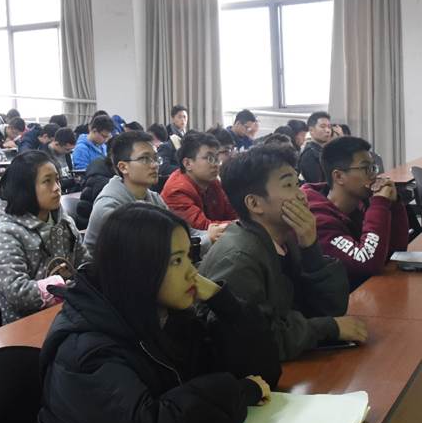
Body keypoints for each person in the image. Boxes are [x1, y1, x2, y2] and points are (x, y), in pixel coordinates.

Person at [21, 202, 279, 423]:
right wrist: (240, 391)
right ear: (138, 270)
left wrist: (222, 301)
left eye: (189, 257)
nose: (192, 272)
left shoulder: (163, 317)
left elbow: (262, 373)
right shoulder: (85, 349)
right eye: (176, 261)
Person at [198, 145, 366, 362]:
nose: (301, 195)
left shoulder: (287, 239)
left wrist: (311, 248)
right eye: (288, 185)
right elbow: (256, 342)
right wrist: (327, 328)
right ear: (254, 203)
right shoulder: (238, 259)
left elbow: (330, 308)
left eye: (297, 183)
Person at [0, 151, 90, 323]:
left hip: (70, 313)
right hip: (27, 324)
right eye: (47, 181)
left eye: (57, 180)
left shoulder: (64, 221)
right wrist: (66, 285)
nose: (57, 188)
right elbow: (17, 291)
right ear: (25, 188)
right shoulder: (6, 232)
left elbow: (84, 263)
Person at [84, 131, 212, 257]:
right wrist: (206, 240)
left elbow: (183, 232)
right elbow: (151, 253)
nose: (154, 165)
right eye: (145, 159)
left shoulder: (153, 198)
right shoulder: (109, 208)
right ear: (123, 167)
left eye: (155, 158)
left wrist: (211, 233)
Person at [302, 136, 408, 289]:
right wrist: (379, 204)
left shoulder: (361, 204)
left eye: (373, 168)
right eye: (366, 168)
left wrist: (394, 204)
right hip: (346, 300)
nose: (374, 175)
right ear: (339, 176)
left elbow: (396, 252)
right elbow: (367, 262)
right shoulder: (318, 219)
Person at [161, 132, 236, 240]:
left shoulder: (213, 182)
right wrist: (242, 224)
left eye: (216, 158)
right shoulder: (177, 190)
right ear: (187, 163)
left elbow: (232, 212)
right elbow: (204, 229)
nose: (216, 164)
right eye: (209, 158)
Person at [298, 111, 333, 184]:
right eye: (322, 126)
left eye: (329, 127)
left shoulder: (322, 151)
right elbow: (317, 185)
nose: (327, 130)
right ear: (311, 130)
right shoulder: (309, 154)